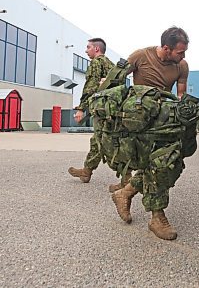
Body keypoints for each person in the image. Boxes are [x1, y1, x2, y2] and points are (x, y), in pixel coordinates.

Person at [111, 26, 190, 240]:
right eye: (180, 52)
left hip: (167, 121)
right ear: (166, 48)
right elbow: (115, 81)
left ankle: (125, 192)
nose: (183, 56)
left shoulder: (181, 66)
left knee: (165, 164)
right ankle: (157, 217)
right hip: (141, 122)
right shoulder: (140, 56)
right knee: (159, 165)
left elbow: (181, 94)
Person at [68, 38, 115, 185]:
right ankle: (86, 171)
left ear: (96, 49)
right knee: (99, 140)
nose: (85, 50)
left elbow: (90, 87)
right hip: (112, 108)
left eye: (88, 47)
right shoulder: (111, 65)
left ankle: (127, 180)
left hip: (102, 109)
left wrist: (82, 108)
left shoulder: (96, 63)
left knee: (103, 141)